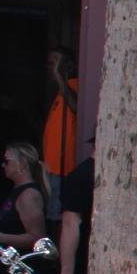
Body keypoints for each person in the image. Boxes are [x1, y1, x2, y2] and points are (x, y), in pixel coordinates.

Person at [0, 142, 50, 254]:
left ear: (22, 163)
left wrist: (1, 237)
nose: (3, 165)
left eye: (7, 161)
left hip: (20, 261)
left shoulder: (28, 195)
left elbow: (38, 238)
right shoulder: (17, 191)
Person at [41, 47, 79, 179]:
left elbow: (75, 106)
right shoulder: (61, 90)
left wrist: (58, 75)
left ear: (67, 66)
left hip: (62, 168)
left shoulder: (74, 85)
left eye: (53, 64)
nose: (50, 68)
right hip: (51, 166)